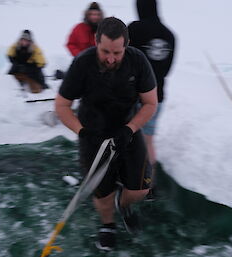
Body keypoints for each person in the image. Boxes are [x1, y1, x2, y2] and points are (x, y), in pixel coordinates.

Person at [55, 17, 157, 251]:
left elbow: (151, 103)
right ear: (96, 42)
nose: (110, 58)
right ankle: (108, 223)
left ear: (127, 46)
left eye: (117, 53)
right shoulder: (83, 64)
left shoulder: (138, 61)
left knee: (140, 189)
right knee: (103, 193)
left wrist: (129, 129)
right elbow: (61, 106)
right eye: (105, 51)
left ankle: (125, 204)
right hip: (93, 132)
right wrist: (82, 132)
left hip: (126, 130)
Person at [128, 0, 175, 195]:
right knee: (147, 140)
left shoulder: (135, 29)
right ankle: (149, 184)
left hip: (135, 96)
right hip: (158, 96)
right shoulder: (170, 35)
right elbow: (167, 70)